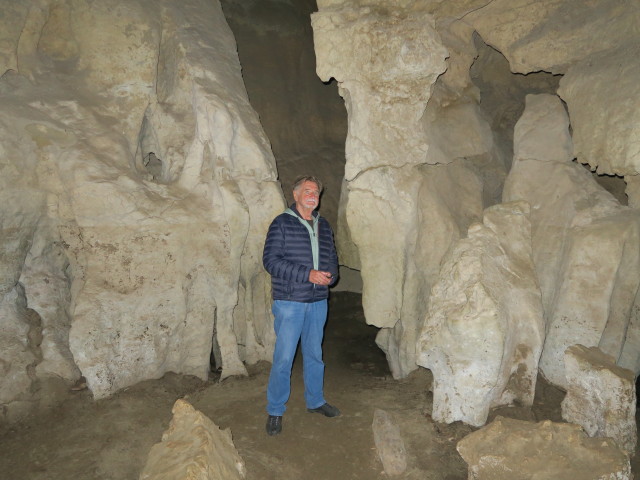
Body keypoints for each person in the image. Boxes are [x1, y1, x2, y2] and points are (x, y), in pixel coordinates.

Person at [262, 175, 340, 436]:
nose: (312, 194)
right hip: (290, 301)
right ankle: (275, 409)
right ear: (295, 195)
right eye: (307, 190)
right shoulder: (282, 223)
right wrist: (307, 274)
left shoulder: (323, 225)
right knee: (284, 357)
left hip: (318, 301)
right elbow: (271, 261)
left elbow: (331, 257)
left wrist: (331, 276)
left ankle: (315, 401)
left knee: (314, 355)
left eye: (316, 191)